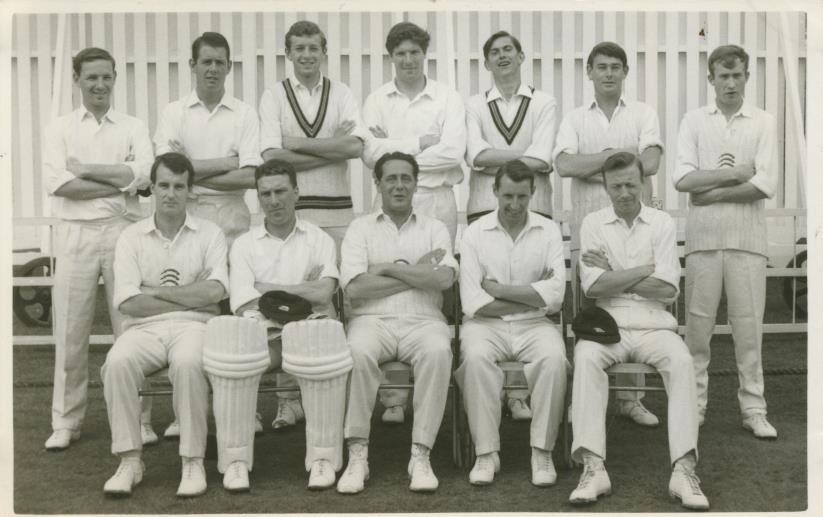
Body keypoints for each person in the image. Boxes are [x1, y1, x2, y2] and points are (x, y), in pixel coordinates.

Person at [569, 152, 708, 511]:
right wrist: (644, 270)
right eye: (616, 186)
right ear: (605, 187)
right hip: (607, 325)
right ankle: (593, 467)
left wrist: (614, 270)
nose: (625, 193)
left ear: (643, 183)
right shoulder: (593, 223)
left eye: (631, 184)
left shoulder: (662, 222)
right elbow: (594, 288)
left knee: (682, 361)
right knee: (585, 357)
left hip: (655, 324)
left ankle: (684, 470)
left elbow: (668, 290)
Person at [205, 158, 345, 492]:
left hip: (310, 331)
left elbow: (324, 293)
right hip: (263, 334)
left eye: (281, 191)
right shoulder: (244, 244)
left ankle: (323, 458)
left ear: (296, 192)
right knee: (235, 362)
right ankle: (236, 460)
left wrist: (268, 289)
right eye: (265, 194)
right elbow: (243, 302)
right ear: (258, 198)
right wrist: (301, 291)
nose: (274, 200)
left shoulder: (319, 239)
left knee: (324, 359)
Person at [150, 31, 262, 439]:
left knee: (235, 316)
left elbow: (250, 175)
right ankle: (186, 412)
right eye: (206, 61)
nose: (212, 68)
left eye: (219, 62)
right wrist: (226, 162)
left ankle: (245, 410)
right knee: (191, 316)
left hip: (233, 221)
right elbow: (167, 171)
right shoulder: (174, 112)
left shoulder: (244, 113)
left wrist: (192, 170)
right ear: (192, 66)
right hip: (188, 222)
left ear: (229, 67)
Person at [42, 47, 153, 451]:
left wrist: (86, 169)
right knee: (71, 330)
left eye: (106, 77)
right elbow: (60, 185)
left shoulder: (133, 126)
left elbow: (144, 175)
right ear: (77, 79)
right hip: (76, 234)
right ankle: (66, 421)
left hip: (124, 232)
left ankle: (139, 420)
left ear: (115, 78)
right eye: (91, 77)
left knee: (131, 329)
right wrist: (120, 183)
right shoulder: (59, 128)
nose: (100, 85)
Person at [258, 20, 366, 429]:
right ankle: (289, 400)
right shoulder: (274, 96)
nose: (306, 55)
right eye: (299, 48)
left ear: (324, 52)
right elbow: (272, 158)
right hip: (293, 214)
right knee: (286, 302)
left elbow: (354, 146)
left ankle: (336, 392)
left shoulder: (342, 93)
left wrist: (298, 145)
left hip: (337, 215)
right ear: (289, 53)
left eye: (313, 48)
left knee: (340, 302)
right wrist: (329, 148)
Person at [101, 153, 228, 498]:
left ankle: (192, 460)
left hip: (195, 325)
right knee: (117, 361)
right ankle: (129, 460)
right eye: (164, 185)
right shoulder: (131, 236)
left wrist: (151, 291)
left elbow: (215, 294)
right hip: (143, 328)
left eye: (179, 186)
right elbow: (128, 303)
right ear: (153, 189)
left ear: (190, 190)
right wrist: (192, 293)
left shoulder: (210, 233)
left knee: (188, 363)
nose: (171, 194)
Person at [360, 20, 466, 424]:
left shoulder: (446, 97)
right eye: (400, 53)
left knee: (428, 289)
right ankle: (393, 397)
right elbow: (370, 154)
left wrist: (393, 151)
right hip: (388, 200)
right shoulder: (377, 99)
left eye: (415, 52)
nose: (408, 60)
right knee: (391, 292)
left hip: (436, 202)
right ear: (391, 57)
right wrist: (420, 143)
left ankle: (427, 388)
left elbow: (453, 151)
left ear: (425, 54)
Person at [554, 41, 663, 427]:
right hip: (589, 229)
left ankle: (631, 399)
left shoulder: (643, 113)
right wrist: (619, 158)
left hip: (633, 229)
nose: (609, 73)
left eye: (616, 67)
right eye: (601, 67)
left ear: (625, 72)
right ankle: (586, 398)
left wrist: (595, 163)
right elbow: (565, 165)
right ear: (589, 72)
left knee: (634, 308)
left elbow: (651, 162)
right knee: (588, 312)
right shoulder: (574, 118)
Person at [336, 152, 458, 494]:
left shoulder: (435, 228)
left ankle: (421, 454)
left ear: (416, 183)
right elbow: (356, 288)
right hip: (371, 321)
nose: (399, 185)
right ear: (377, 183)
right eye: (391, 178)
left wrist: (389, 268)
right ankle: (357, 453)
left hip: (425, 321)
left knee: (438, 351)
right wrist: (418, 272)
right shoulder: (360, 228)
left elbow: (444, 279)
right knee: (356, 351)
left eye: (406, 178)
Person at [674, 44, 778, 438]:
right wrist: (735, 175)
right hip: (702, 240)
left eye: (737, 75)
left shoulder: (764, 122)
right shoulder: (693, 121)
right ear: (711, 79)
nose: (730, 83)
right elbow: (683, 179)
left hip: (747, 242)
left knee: (748, 330)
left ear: (747, 76)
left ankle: (754, 408)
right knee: (697, 329)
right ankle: (694, 406)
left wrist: (711, 190)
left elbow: (765, 184)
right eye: (723, 75)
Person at [465, 30, 559, 421]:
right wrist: (525, 158)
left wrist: (497, 159)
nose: (502, 56)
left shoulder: (544, 102)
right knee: (487, 305)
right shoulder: (474, 104)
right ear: (486, 62)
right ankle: (494, 392)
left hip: (535, 208)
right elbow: (475, 156)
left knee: (528, 298)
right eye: (494, 52)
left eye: (509, 50)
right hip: (482, 209)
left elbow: (544, 158)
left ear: (521, 56)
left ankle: (519, 394)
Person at [456, 160, 567, 487]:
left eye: (522, 196)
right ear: (494, 192)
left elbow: (556, 297)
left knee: (554, 359)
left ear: (533, 193)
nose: (515, 204)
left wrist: (499, 290)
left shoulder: (549, 230)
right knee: (475, 359)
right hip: (485, 325)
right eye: (508, 196)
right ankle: (486, 452)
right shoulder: (474, 233)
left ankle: (542, 451)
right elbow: (473, 303)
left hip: (536, 325)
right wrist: (533, 295)